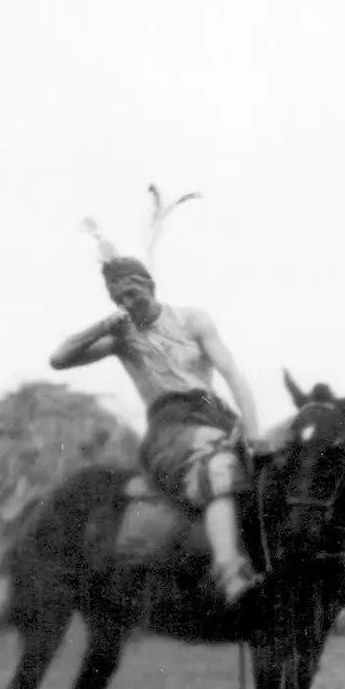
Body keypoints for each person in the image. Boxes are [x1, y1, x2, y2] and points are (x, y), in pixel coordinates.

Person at [50, 249, 262, 606]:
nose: (127, 302)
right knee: (218, 463)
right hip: (169, 427)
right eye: (118, 298)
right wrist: (104, 326)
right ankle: (230, 573)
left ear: (150, 285)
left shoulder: (194, 320)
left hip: (215, 415)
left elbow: (233, 375)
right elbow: (58, 359)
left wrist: (253, 429)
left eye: (132, 292)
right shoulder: (120, 337)